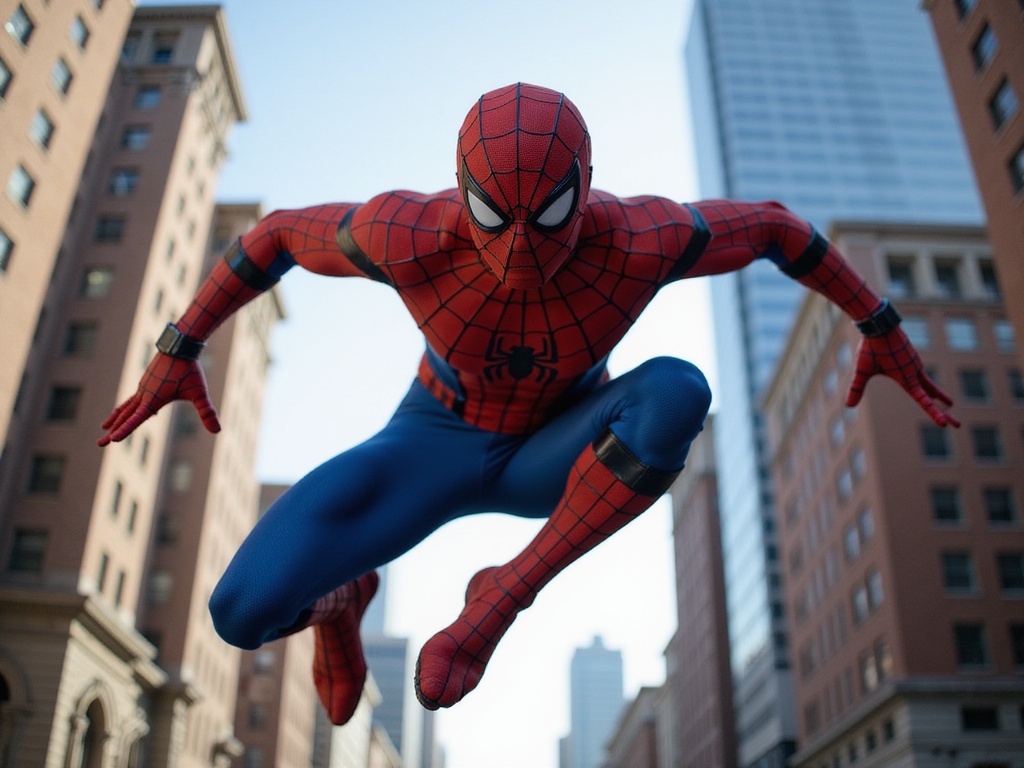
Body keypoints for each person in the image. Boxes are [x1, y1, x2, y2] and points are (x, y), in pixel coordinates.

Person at [99, 82, 957, 725]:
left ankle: (501, 596)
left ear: (588, 185)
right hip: (428, 444)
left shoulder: (644, 238)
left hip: (561, 448)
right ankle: (342, 600)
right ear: (457, 187)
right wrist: (179, 347)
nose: (518, 251)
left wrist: (880, 322)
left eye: (548, 216)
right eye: (491, 214)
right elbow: (275, 234)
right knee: (240, 614)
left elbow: (775, 226)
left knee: (677, 390)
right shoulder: (406, 232)